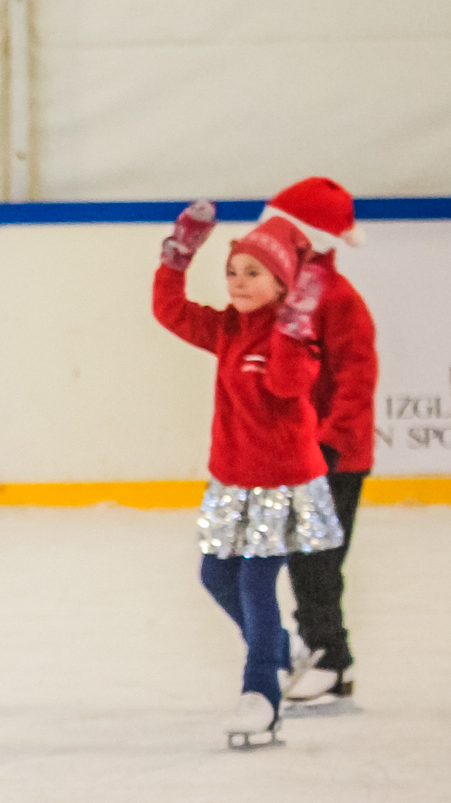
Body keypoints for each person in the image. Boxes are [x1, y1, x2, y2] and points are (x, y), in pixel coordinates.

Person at [152, 202, 345, 750]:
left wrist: (294, 323)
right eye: (232, 270)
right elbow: (170, 311)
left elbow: (286, 385)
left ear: (283, 283)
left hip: (281, 484)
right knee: (215, 576)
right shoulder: (227, 328)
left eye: (252, 273)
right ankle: (280, 650)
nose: (237, 282)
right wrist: (178, 256)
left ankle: (261, 693)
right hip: (232, 482)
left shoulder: (297, 340)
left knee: (257, 583)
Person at [258, 179, 375, 705]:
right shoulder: (287, 295)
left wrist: (331, 445)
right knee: (302, 553)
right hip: (298, 452)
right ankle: (321, 650)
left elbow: (357, 376)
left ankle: (332, 658)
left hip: (335, 456)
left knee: (317, 558)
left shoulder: (337, 297)